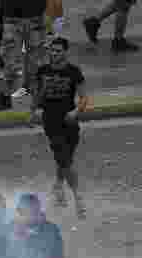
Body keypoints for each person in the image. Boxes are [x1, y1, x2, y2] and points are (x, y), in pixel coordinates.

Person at [31, 37, 89, 219]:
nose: (54, 54)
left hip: (70, 121)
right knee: (64, 159)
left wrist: (76, 112)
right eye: (52, 51)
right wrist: (33, 111)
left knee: (64, 159)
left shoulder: (74, 72)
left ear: (65, 52)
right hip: (51, 121)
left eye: (58, 51)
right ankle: (78, 197)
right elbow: (36, 95)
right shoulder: (42, 71)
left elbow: (84, 98)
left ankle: (58, 186)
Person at [0, 0, 45, 111]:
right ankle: (7, 96)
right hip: (18, 18)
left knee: (33, 62)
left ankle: (8, 97)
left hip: (29, 17)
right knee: (13, 60)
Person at [8, 192, 63, 258]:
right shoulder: (11, 228)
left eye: (32, 211)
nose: (28, 215)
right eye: (23, 212)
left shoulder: (50, 229)